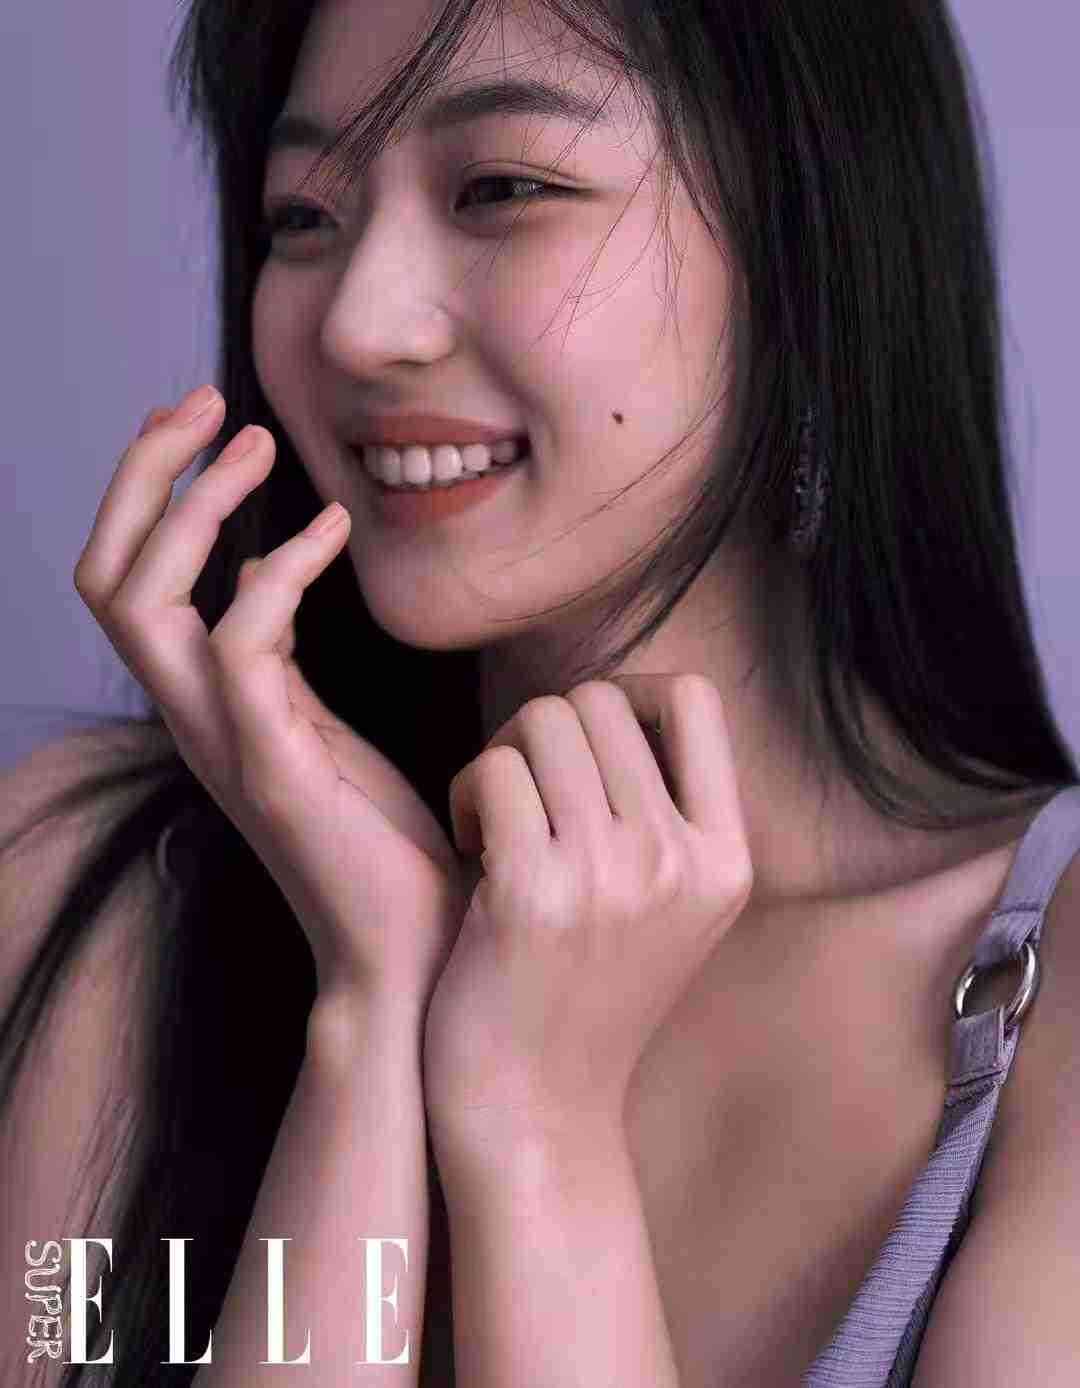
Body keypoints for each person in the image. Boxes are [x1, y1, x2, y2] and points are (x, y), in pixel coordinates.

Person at [2, 0, 1079, 1383]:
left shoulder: (1046, 1003)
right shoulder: (91, 891)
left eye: (502, 188)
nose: (359, 324)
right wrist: (369, 1005)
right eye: (302, 216)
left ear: (811, 251)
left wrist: (538, 1132)